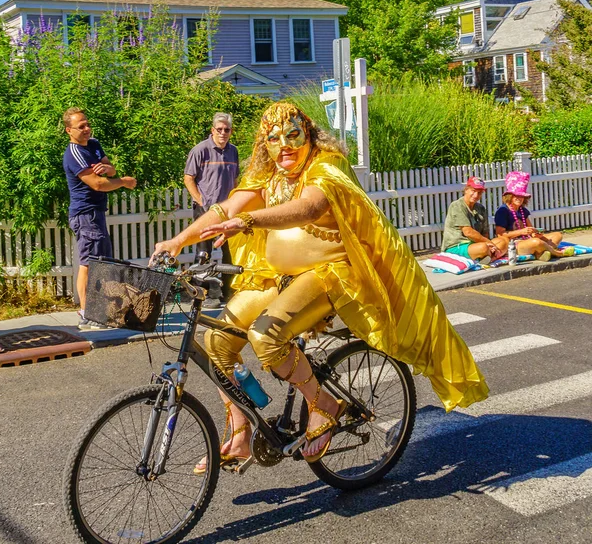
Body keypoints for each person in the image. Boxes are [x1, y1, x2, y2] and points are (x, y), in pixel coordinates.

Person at [152, 102, 489, 469]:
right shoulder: (271, 176)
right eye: (274, 139)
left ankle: (324, 405)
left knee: (266, 337)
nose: (284, 145)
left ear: (309, 134)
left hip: (328, 275)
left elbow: (311, 208)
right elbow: (224, 209)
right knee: (217, 341)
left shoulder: (327, 165)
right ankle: (240, 428)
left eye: (293, 135)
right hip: (279, 278)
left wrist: (249, 221)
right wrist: (178, 241)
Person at [62, 107, 137, 329]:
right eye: (81, 126)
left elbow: (109, 172)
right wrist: (123, 182)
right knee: (89, 263)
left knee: (101, 263)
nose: (86, 129)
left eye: (87, 124)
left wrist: (108, 168)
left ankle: (98, 312)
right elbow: (97, 184)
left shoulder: (93, 144)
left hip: (96, 213)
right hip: (85, 214)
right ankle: (87, 313)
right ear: (69, 130)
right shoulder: (74, 153)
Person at [184, 112, 239, 308]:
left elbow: (236, 179)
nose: (223, 133)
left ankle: (228, 293)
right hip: (206, 210)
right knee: (203, 253)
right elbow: (188, 178)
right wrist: (200, 201)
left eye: (227, 130)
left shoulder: (233, 151)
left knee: (229, 252)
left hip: (227, 210)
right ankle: (202, 294)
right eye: (219, 129)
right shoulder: (201, 150)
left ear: (231, 132)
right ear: (212, 130)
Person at [494, 171, 574, 261]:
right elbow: (500, 234)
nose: (519, 198)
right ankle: (557, 253)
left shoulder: (522, 210)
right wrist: (521, 232)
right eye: (516, 195)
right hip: (514, 244)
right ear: (509, 196)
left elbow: (530, 229)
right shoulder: (503, 211)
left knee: (557, 235)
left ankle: (541, 253)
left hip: (527, 240)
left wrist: (535, 233)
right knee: (536, 242)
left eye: (521, 196)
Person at [441, 176, 508, 264]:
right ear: (466, 190)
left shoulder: (480, 208)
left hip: (475, 244)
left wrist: (490, 245)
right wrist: (489, 244)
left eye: (479, 193)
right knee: (483, 247)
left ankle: (488, 258)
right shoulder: (457, 205)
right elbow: (468, 232)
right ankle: (487, 257)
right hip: (456, 246)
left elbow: (485, 233)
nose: (476, 195)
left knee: (504, 241)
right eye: (473, 191)